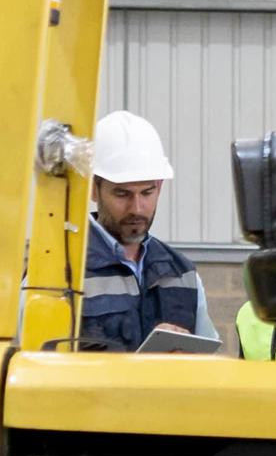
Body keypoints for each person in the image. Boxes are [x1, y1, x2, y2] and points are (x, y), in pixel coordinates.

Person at [78, 110, 214, 351]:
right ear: (93, 189)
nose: (137, 208)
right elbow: (38, 372)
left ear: (159, 187)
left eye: (147, 193)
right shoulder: (62, 271)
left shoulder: (182, 274)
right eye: (122, 193)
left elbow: (210, 369)